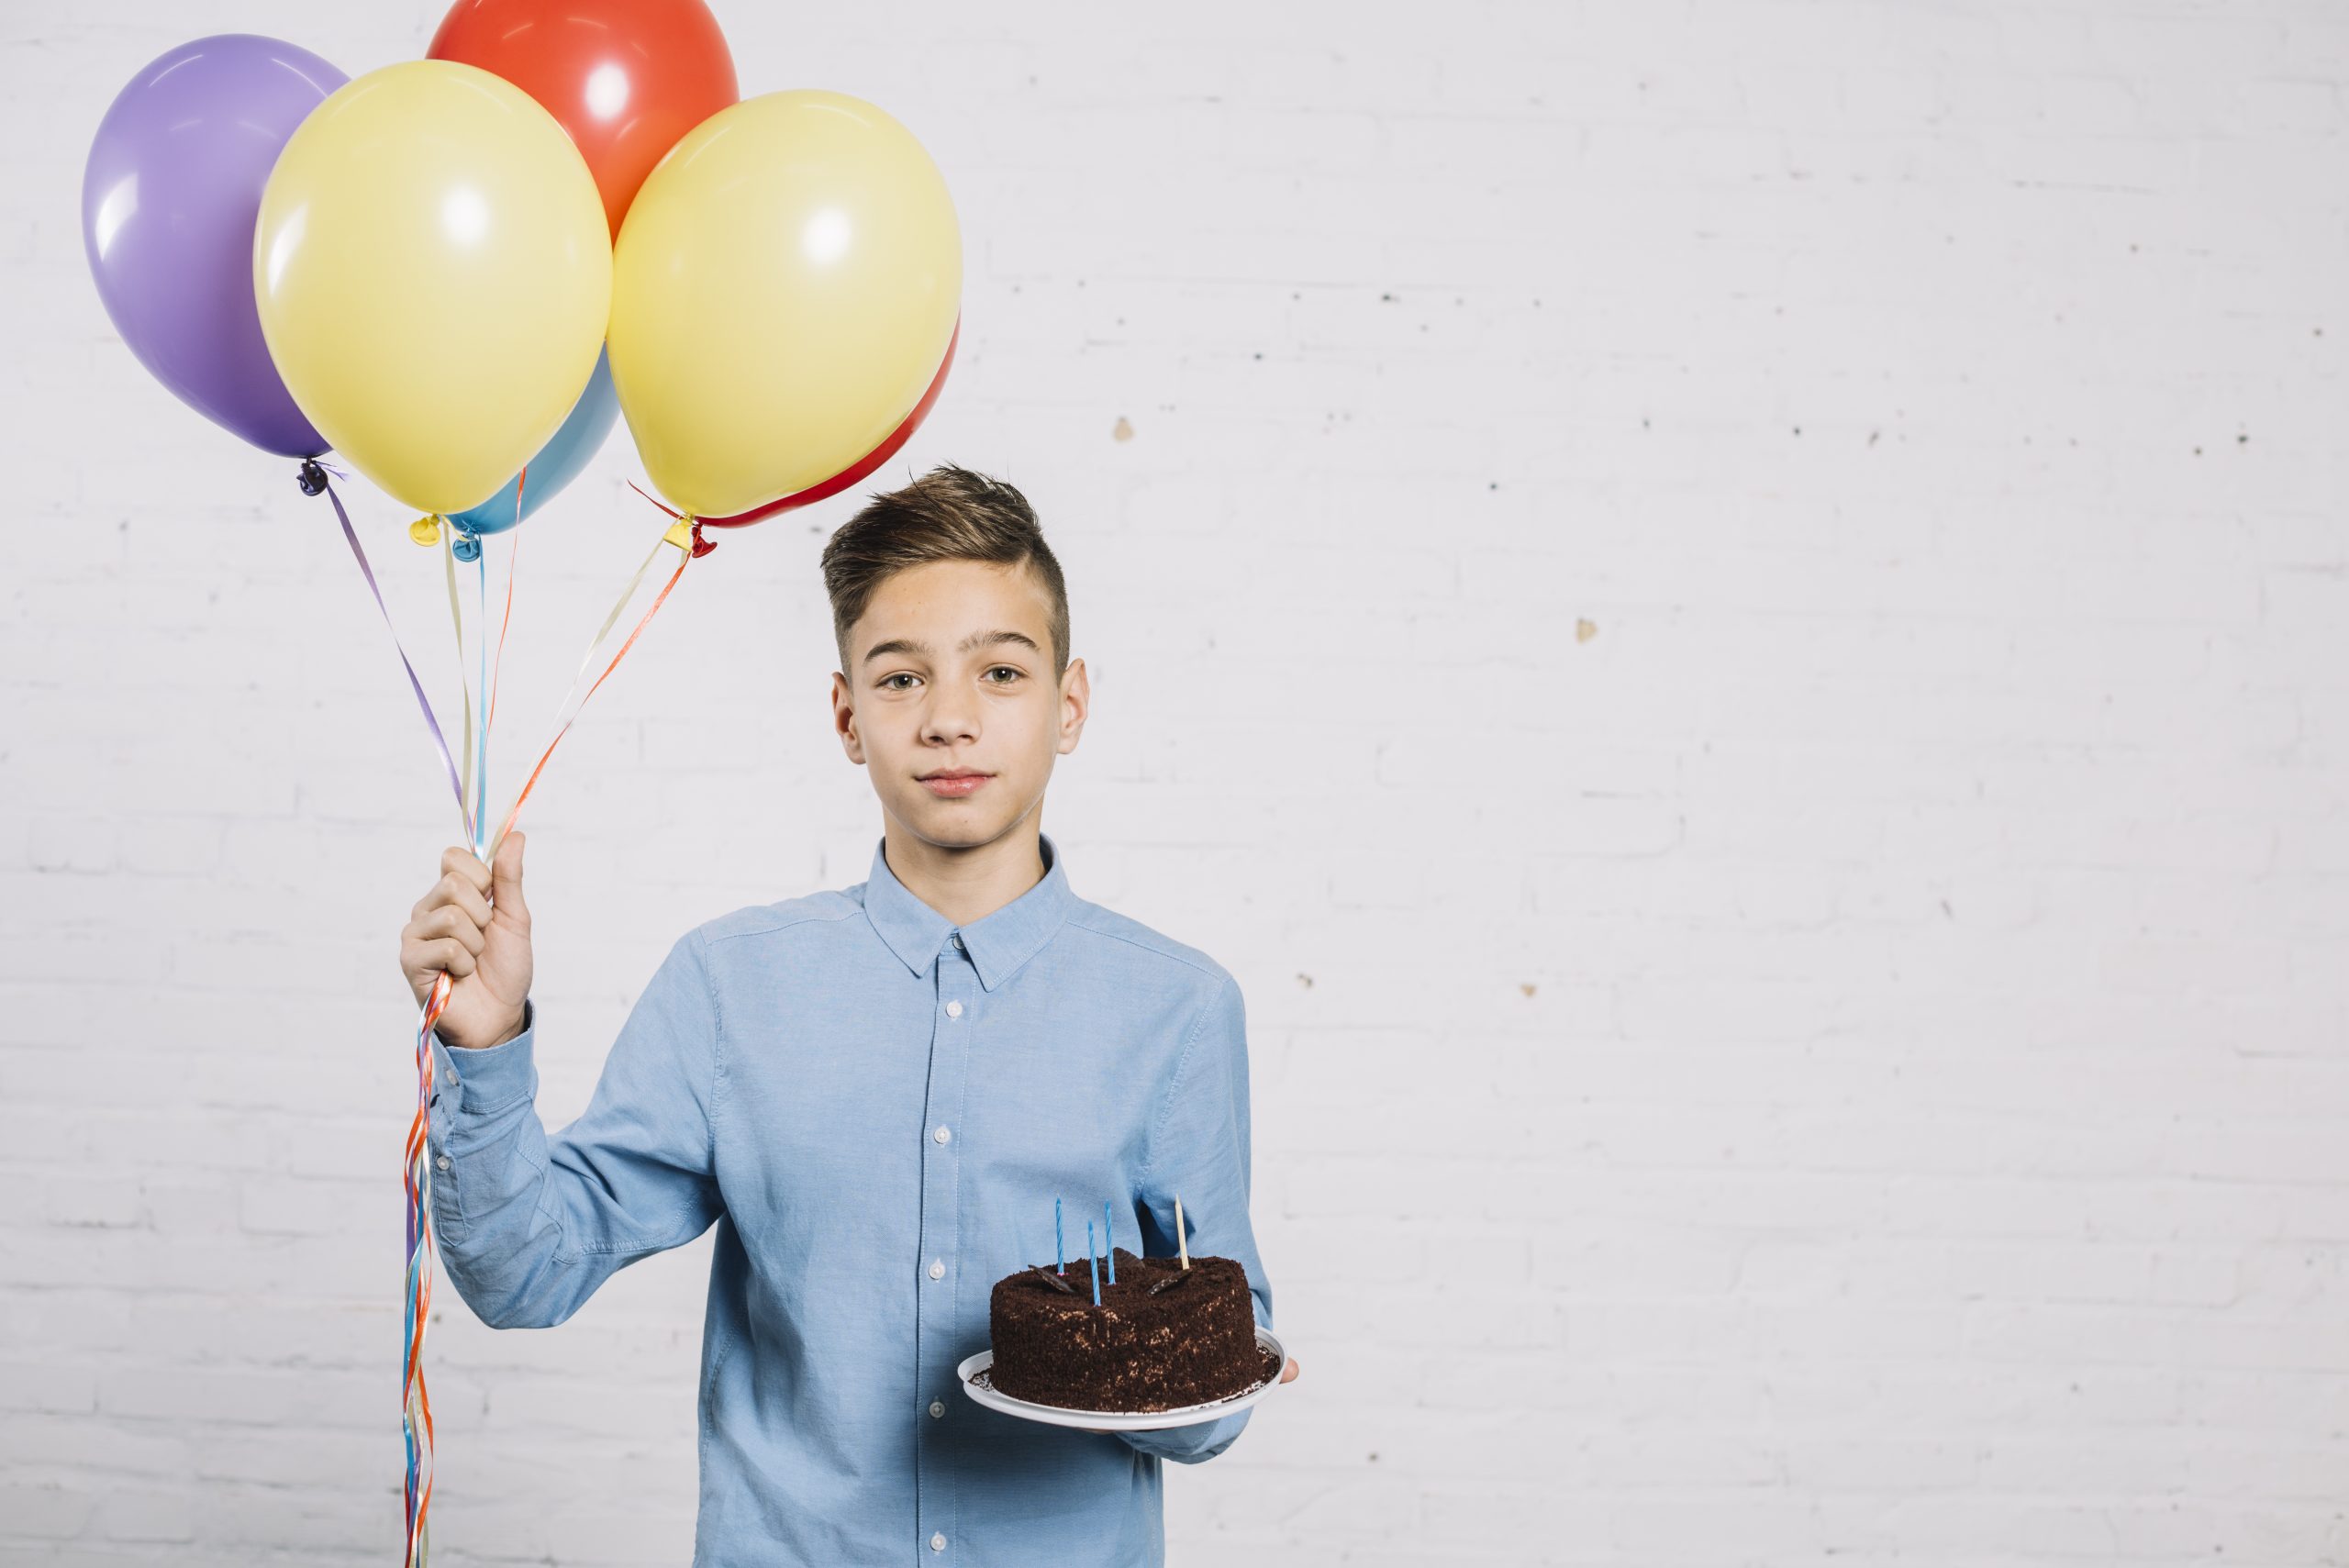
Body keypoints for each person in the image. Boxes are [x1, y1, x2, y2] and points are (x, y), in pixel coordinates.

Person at [399, 464, 1298, 1566]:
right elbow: (521, 1272)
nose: (950, 718)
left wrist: (1193, 1375)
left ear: (1068, 707)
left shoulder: (1177, 1010)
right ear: (846, 714)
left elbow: (1216, 1394)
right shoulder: (729, 986)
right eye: (902, 677)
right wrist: (482, 1040)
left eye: (1000, 672)